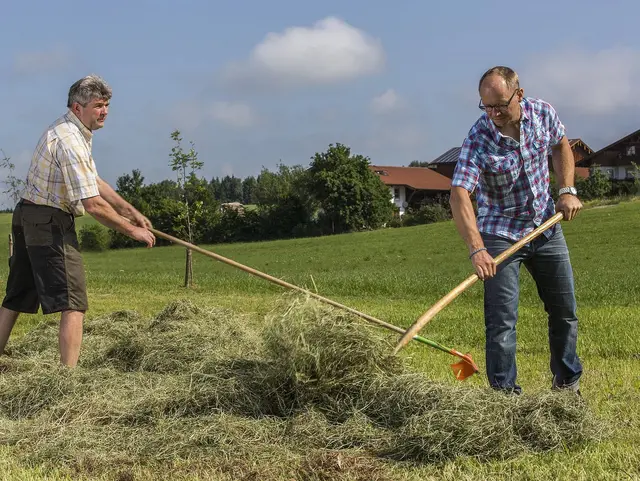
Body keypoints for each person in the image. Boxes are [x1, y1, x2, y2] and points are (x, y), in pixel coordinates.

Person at [0, 75, 156, 367]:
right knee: (73, 301)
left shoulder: (73, 131)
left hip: (28, 213)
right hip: (48, 219)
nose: (105, 111)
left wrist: (130, 210)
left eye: (107, 104)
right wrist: (132, 231)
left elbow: (93, 180)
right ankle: (68, 381)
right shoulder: (70, 141)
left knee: (17, 294)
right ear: (77, 107)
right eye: (98, 105)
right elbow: (93, 204)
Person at [449, 66, 583, 395]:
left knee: (564, 311)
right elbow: (459, 193)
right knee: (502, 322)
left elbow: (561, 145)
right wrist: (477, 248)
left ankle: (567, 387)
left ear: (518, 95)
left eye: (500, 105)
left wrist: (566, 189)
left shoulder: (543, 114)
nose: (493, 113)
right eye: (486, 106)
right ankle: (505, 399)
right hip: (500, 232)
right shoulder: (480, 136)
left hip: (545, 227)